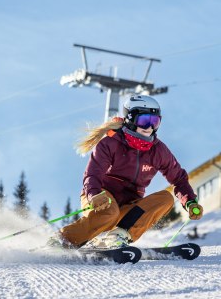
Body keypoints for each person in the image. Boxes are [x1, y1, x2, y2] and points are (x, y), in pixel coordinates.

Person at [49, 94, 203, 250]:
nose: (149, 127)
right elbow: (93, 173)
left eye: (154, 122)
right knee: (110, 212)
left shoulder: (158, 151)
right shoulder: (111, 143)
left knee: (166, 198)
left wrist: (189, 201)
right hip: (101, 198)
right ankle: (62, 239)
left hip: (128, 206)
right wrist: (93, 194)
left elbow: (179, 179)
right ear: (130, 119)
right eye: (144, 121)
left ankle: (118, 236)